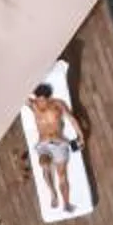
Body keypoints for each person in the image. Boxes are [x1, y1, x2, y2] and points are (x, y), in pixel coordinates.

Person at [25, 80, 84, 214]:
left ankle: (67, 203)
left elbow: (72, 119)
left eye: (43, 101)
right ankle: (53, 193)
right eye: (38, 100)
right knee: (44, 164)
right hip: (43, 144)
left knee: (62, 174)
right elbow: (18, 95)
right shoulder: (33, 105)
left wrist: (81, 136)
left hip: (59, 143)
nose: (41, 104)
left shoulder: (58, 104)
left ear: (49, 99)